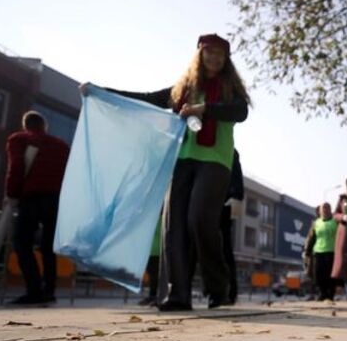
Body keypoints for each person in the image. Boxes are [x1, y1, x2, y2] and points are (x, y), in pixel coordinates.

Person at [82, 33, 250, 311]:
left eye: (220, 54)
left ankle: (217, 286)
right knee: (174, 227)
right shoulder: (181, 89)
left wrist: (204, 108)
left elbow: (240, 111)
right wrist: (100, 92)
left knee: (200, 219)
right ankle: (177, 294)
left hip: (215, 161)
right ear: (199, 55)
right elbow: (147, 99)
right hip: (181, 159)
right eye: (209, 52)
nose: (214, 58)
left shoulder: (230, 89)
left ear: (226, 60)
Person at [5, 111, 70, 305]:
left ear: (26, 125)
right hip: (57, 199)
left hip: (31, 196)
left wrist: (12, 194)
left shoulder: (19, 139)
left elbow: (16, 166)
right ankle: (49, 291)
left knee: (22, 243)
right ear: (44, 125)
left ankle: (34, 290)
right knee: (49, 247)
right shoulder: (61, 145)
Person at [220, 150, 244, 305]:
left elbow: (237, 177)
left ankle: (230, 291)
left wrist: (235, 197)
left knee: (225, 248)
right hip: (206, 201)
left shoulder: (231, 151)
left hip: (224, 203)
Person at [304, 202, 338, 301]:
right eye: (323, 208)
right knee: (318, 275)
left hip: (332, 252)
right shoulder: (316, 223)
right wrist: (307, 251)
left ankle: (330, 294)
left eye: (327, 208)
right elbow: (312, 238)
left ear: (330, 210)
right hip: (318, 252)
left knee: (331, 275)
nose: (325, 210)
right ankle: (322, 293)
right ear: (320, 211)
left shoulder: (335, 221)